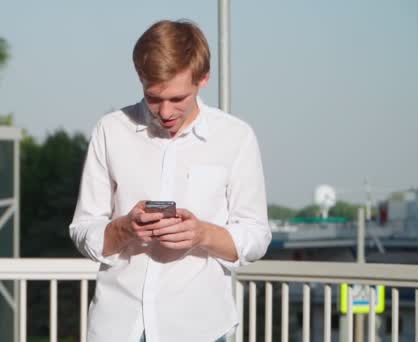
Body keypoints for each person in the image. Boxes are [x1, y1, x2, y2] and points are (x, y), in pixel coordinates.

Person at [69, 19, 271, 342]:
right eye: (153, 97)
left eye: (178, 98)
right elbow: (82, 228)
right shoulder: (110, 130)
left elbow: (257, 235)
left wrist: (202, 233)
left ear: (204, 79)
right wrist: (124, 229)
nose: (165, 111)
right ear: (140, 78)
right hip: (116, 327)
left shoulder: (236, 137)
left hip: (199, 328)